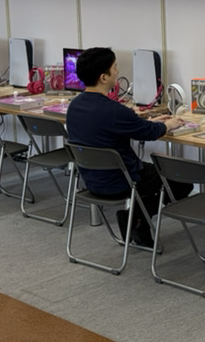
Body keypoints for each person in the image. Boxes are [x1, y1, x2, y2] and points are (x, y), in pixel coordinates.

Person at [65, 47, 191, 247]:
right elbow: (148, 133)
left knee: (157, 177)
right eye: (115, 68)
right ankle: (136, 216)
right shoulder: (114, 110)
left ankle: (137, 219)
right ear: (104, 77)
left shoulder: (74, 106)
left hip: (92, 181)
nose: (118, 72)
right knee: (182, 179)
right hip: (123, 180)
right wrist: (169, 124)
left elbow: (124, 127)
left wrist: (149, 121)